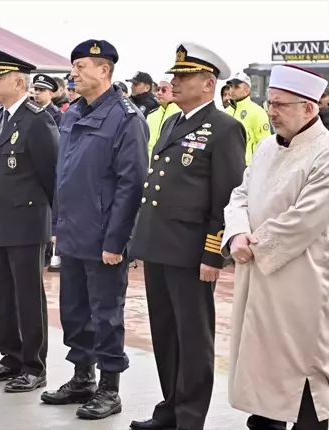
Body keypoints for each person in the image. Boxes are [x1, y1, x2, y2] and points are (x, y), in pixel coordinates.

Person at [129, 42, 247, 430]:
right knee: (165, 333)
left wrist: (214, 254)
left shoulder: (225, 128)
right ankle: (171, 408)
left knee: (193, 337)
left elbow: (225, 196)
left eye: (184, 77)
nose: (174, 82)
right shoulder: (171, 122)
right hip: (159, 245)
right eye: (175, 75)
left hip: (191, 250)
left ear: (208, 83)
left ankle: (190, 417)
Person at [40, 39, 148, 420]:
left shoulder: (126, 118)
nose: (74, 73)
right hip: (72, 233)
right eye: (73, 66)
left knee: (106, 314)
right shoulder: (72, 113)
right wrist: (58, 226)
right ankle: (82, 376)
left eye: (82, 65)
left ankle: (109, 387)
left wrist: (116, 240)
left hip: (104, 238)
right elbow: (63, 175)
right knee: (73, 311)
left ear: (105, 70)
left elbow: (131, 185)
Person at [222, 65, 329, 430]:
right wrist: (236, 235)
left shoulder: (325, 153)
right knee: (262, 370)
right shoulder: (267, 147)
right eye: (270, 103)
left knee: (301, 374)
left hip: (301, 282)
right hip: (256, 279)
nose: (271, 112)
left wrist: (256, 246)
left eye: (281, 105)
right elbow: (239, 195)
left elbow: (305, 218)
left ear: (308, 109)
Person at [0, 50, 58, 393]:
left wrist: (55, 229)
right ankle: (10, 357)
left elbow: (51, 177)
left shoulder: (38, 120)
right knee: (5, 294)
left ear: (19, 81)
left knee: (28, 296)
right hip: (0, 220)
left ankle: (33, 364)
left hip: (27, 222)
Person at [225, 72, 271, 164]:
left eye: (237, 87)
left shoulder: (257, 112)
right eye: (231, 86)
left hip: (248, 166)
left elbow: (265, 144)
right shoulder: (227, 111)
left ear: (247, 91)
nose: (232, 90)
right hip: (227, 164)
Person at [146, 76, 181, 156]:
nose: (159, 93)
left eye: (164, 90)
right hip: (147, 165)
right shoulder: (151, 115)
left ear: (174, 91)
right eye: (158, 89)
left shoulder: (181, 114)